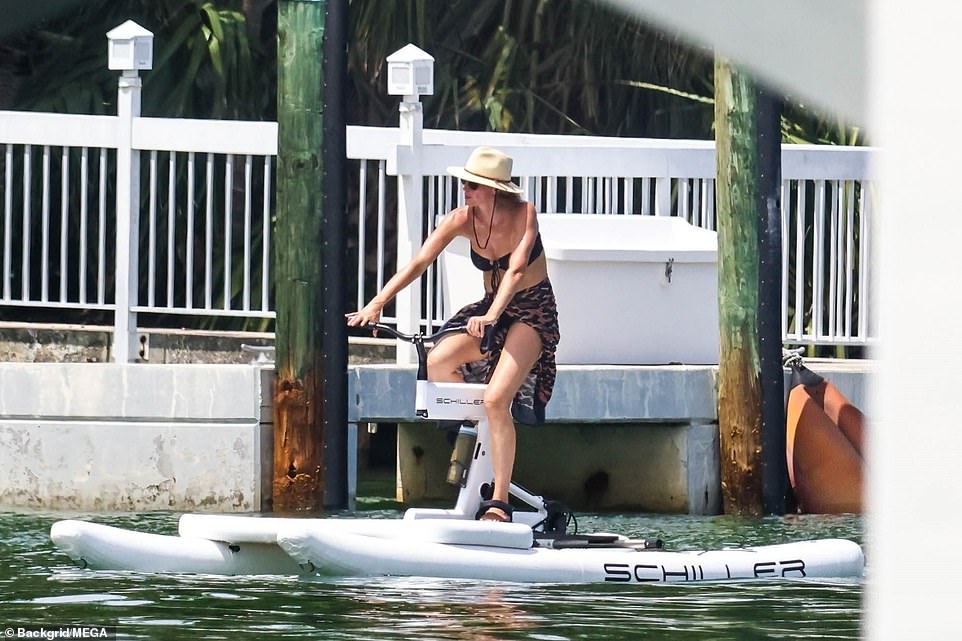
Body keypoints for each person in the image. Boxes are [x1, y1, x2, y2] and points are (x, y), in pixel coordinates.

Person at [346, 146, 560, 523]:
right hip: (493, 308)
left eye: (473, 185)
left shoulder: (525, 214)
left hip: (531, 312)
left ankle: (500, 503)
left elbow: (514, 272)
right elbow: (419, 262)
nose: (465, 189)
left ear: (495, 189)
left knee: (496, 400)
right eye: (464, 182)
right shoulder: (460, 219)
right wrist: (376, 304)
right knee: (439, 361)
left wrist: (493, 316)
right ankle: (477, 439)